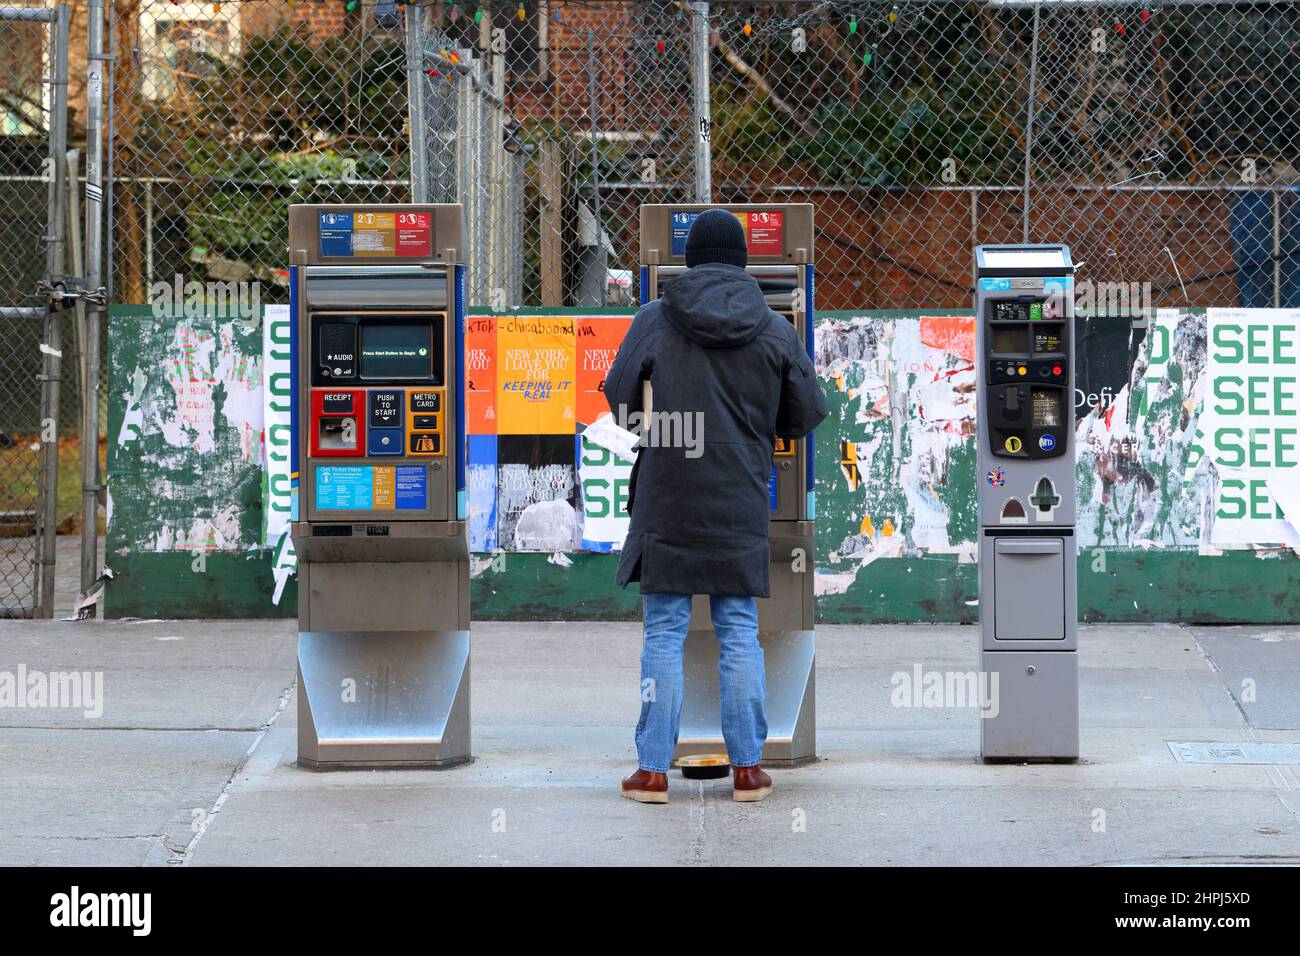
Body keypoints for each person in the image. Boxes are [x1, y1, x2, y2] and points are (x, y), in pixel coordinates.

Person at [604, 209, 829, 804]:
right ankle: (749, 770)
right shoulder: (773, 326)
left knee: (664, 633)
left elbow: (619, 399)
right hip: (739, 496)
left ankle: (652, 771)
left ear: (691, 259)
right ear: (743, 261)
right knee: (738, 632)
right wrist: (760, 429)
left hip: (668, 496)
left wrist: (657, 423)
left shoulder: (654, 318)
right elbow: (807, 411)